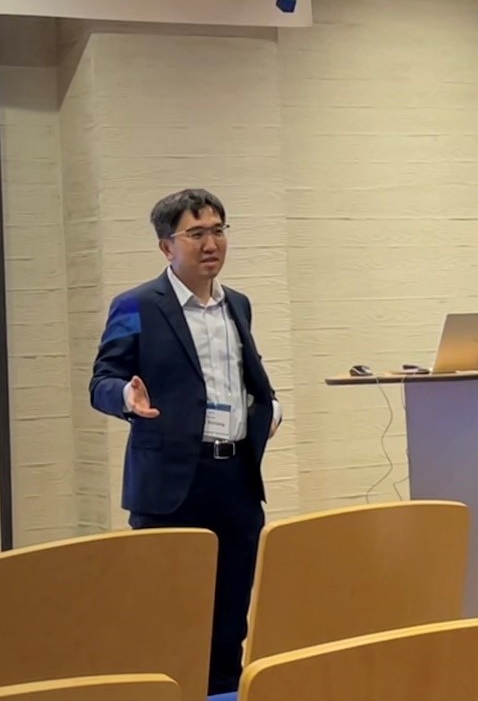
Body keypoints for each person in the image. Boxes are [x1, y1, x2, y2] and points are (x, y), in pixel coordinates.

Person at [88, 188, 280, 695]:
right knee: (167, 614)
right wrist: (126, 397)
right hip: (170, 487)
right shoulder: (135, 305)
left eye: (218, 231)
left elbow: (249, 379)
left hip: (235, 479)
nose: (210, 244)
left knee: (230, 616)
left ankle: (224, 690)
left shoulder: (238, 305)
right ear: (166, 246)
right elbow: (101, 381)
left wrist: (270, 410)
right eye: (196, 234)